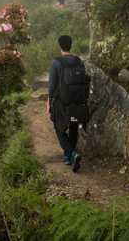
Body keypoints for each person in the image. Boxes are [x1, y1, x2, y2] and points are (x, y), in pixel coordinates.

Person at [46, 35, 90, 172]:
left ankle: (72, 153)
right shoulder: (79, 61)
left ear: (60, 46)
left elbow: (52, 86)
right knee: (73, 126)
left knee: (59, 127)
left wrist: (48, 103)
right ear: (71, 45)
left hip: (62, 102)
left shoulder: (56, 63)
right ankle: (68, 156)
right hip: (78, 101)